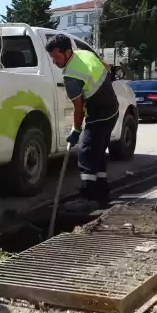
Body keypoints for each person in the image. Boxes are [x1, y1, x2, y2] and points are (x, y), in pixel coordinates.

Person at [45, 34, 119, 202]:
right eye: (51, 57)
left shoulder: (71, 77)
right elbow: (107, 68)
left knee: (86, 152)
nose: (54, 61)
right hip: (113, 109)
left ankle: (88, 196)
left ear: (67, 52)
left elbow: (78, 109)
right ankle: (102, 191)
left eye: (56, 57)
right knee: (98, 152)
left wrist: (76, 130)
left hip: (99, 115)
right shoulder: (86, 54)